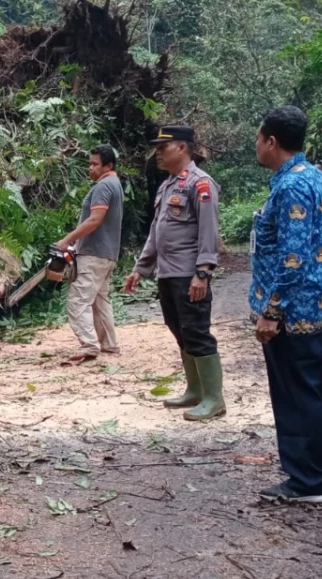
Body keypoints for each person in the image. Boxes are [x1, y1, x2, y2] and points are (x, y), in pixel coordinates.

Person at [250, 106, 322, 503]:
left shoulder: (290, 187)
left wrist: (272, 311)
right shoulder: (317, 177)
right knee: (319, 386)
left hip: (294, 311)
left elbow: (293, 256)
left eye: (258, 137)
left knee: (296, 392)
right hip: (318, 303)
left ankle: (307, 481)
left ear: (272, 141)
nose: (255, 145)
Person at [123, 125, 224, 421]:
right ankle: (195, 390)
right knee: (181, 332)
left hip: (189, 274)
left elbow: (209, 232)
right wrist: (141, 268)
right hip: (167, 274)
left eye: (163, 147)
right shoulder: (167, 185)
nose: (158, 153)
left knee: (197, 332)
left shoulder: (201, 184)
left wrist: (203, 272)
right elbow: (157, 230)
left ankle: (214, 399)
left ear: (182, 148)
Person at [56, 145, 124, 360]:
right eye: (90, 163)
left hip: (94, 254)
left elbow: (95, 220)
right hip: (106, 253)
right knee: (99, 301)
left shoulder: (104, 187)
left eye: (95, 164)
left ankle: (89, 344)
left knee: (78, 300)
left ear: (108, 165)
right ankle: (109, 344)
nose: (90, 168)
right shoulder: (115, 184)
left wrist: (68, 239)